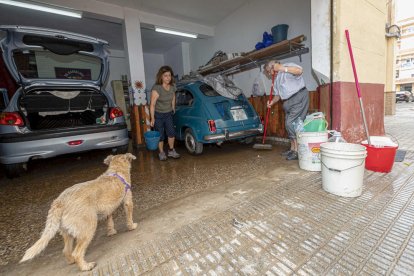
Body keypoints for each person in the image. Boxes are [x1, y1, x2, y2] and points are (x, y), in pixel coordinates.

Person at [263, 60, 309, 160]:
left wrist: (282, 68)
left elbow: (299, 71)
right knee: (289, 125)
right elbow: (278, 95)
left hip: (298, 97)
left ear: (273, 66)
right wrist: (272, 102)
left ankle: (297, 151)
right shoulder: (276, 79)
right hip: (288, 102)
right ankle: (293, 149)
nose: (269, 74)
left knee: (291, 123)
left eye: (268, 71)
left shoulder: (287, 66)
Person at [150, 66, 180, 161]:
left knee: (171, 133)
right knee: (161, 135)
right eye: (165, 76)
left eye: (169, 75)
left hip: (168, 113)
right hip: (158, 114)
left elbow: (173, 96)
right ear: (161, 77)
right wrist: (152, 118)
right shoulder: (157, 88)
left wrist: (173, 106)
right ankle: (161, 152)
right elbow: (152, 105)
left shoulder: (172, 87)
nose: (168, 78)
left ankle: (171, 151)